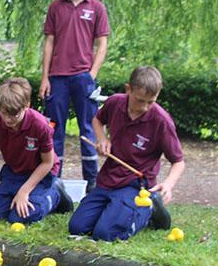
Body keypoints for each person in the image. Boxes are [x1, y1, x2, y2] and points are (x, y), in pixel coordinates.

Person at [68, 66, 184, 241]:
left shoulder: (161, 121)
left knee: (105, 234)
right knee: (76, 227)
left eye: (150, 102)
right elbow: (97, 119)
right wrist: (102, 139)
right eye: (139, 100)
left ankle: (149, 208)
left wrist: (168, 184)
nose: (145, 107)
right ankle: (119, 210)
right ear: (128, 89)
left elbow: (178, 161)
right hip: (109, 178)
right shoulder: (115, 103)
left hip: (137, 184)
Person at [39, 0, 110, 190]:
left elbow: (102, 45)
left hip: (83, 77)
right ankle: (53, 179)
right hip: (57, 77)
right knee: (54, 129)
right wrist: (45, 77)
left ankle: (91, 181)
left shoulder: (96, 8)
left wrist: (92, 75)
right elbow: (49, 43)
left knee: (88, 129)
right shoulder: (55, 7)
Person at [0, 77, 60, 224]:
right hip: (14, 172)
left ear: (26, 105)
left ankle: (54, 195)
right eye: (4, 113)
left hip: (41, 173)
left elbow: (48, 163)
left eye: (14, 114)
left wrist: (24, 191)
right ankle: (19, 193)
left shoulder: (39, 125)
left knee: (20, 217)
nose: (8, 120)